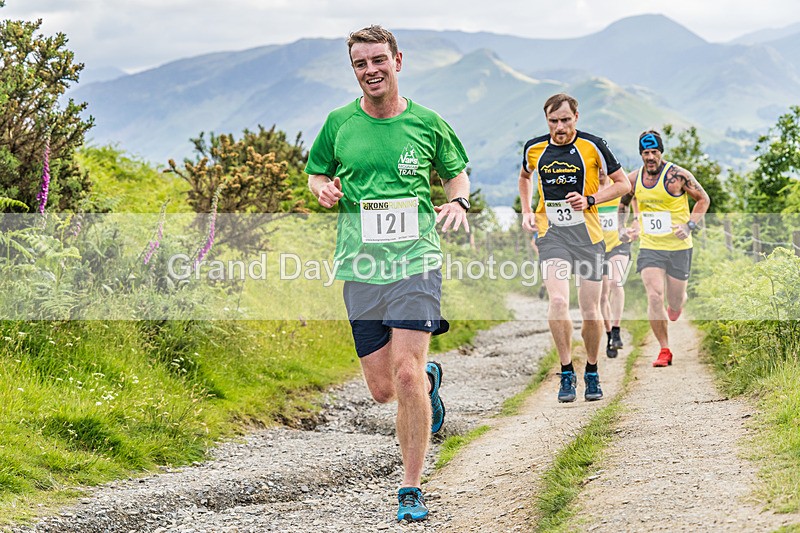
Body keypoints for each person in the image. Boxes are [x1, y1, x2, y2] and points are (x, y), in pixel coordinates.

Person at [305, 25, 470, 522]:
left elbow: (455, 170)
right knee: (383, 388)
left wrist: (457, 200)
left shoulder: (427, 122)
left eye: (379, 60)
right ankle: (428, 381)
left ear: (398, 61)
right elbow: (316, 170)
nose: (371, 70)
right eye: (361, 64)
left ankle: (411, 487)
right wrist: (321, 188)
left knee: (405, 372)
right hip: (360, 265)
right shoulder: (339, 123)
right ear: (354, 70)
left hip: (416, 260)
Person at [518, 93, 630, 403]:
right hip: (552, 234)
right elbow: (525, 177)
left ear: (576, 118)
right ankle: (567, 371)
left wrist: (591, 199)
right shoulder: (534, 147)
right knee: (557, 300)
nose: (560, 127)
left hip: (589, 236)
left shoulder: (593, 145)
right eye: (553, 121)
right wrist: (528, 211)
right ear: (547, 121)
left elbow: (623, 184)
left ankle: (591, 370)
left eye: (565, 120)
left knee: (591, 309)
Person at [619, 130, 710, 367]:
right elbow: (623, 205)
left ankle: (676, 306)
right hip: (650, 246)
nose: (650, 157)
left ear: (661, 152)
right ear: (641, 154)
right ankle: (664, 349)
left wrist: (689, 225)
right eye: (646, 153)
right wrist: (623, 229)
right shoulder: (632, 179)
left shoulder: (678, 176)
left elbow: (703, 199)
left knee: (676, 299)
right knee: (654, 295)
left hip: (679, 246)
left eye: (654, 152)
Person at [597, 175, 635, 358]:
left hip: (619, 245)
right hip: (596, 248)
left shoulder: (619, 185)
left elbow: (635, 203)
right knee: (602, 295)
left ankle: (617, 329)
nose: (601, 172)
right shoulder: (586, 189)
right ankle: (608, 334)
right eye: (597, 168)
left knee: (615, 282)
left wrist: (635, 227)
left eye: (605, 167)